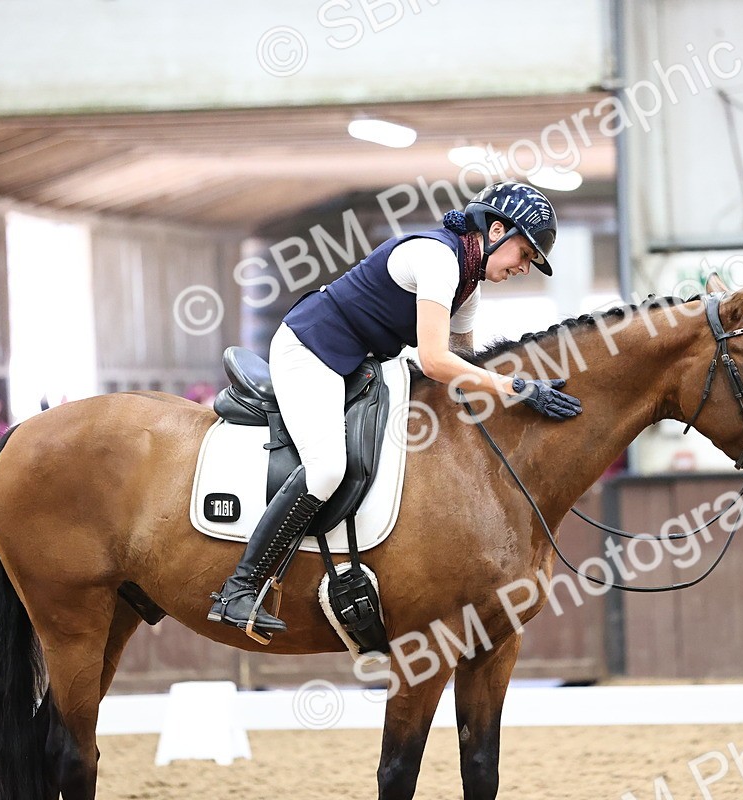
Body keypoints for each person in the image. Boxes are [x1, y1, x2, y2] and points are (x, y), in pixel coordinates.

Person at [208, 181, 583, 636]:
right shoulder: (437, 260)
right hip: (311, 349)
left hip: (358, 365)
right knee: (327, 468)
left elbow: (462, 361)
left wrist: (519, 403)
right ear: (496, 230)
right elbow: (434, 360)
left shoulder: (468, 286)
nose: (525, 267)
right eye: (524, 253)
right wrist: (518, 386)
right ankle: (240, 588)